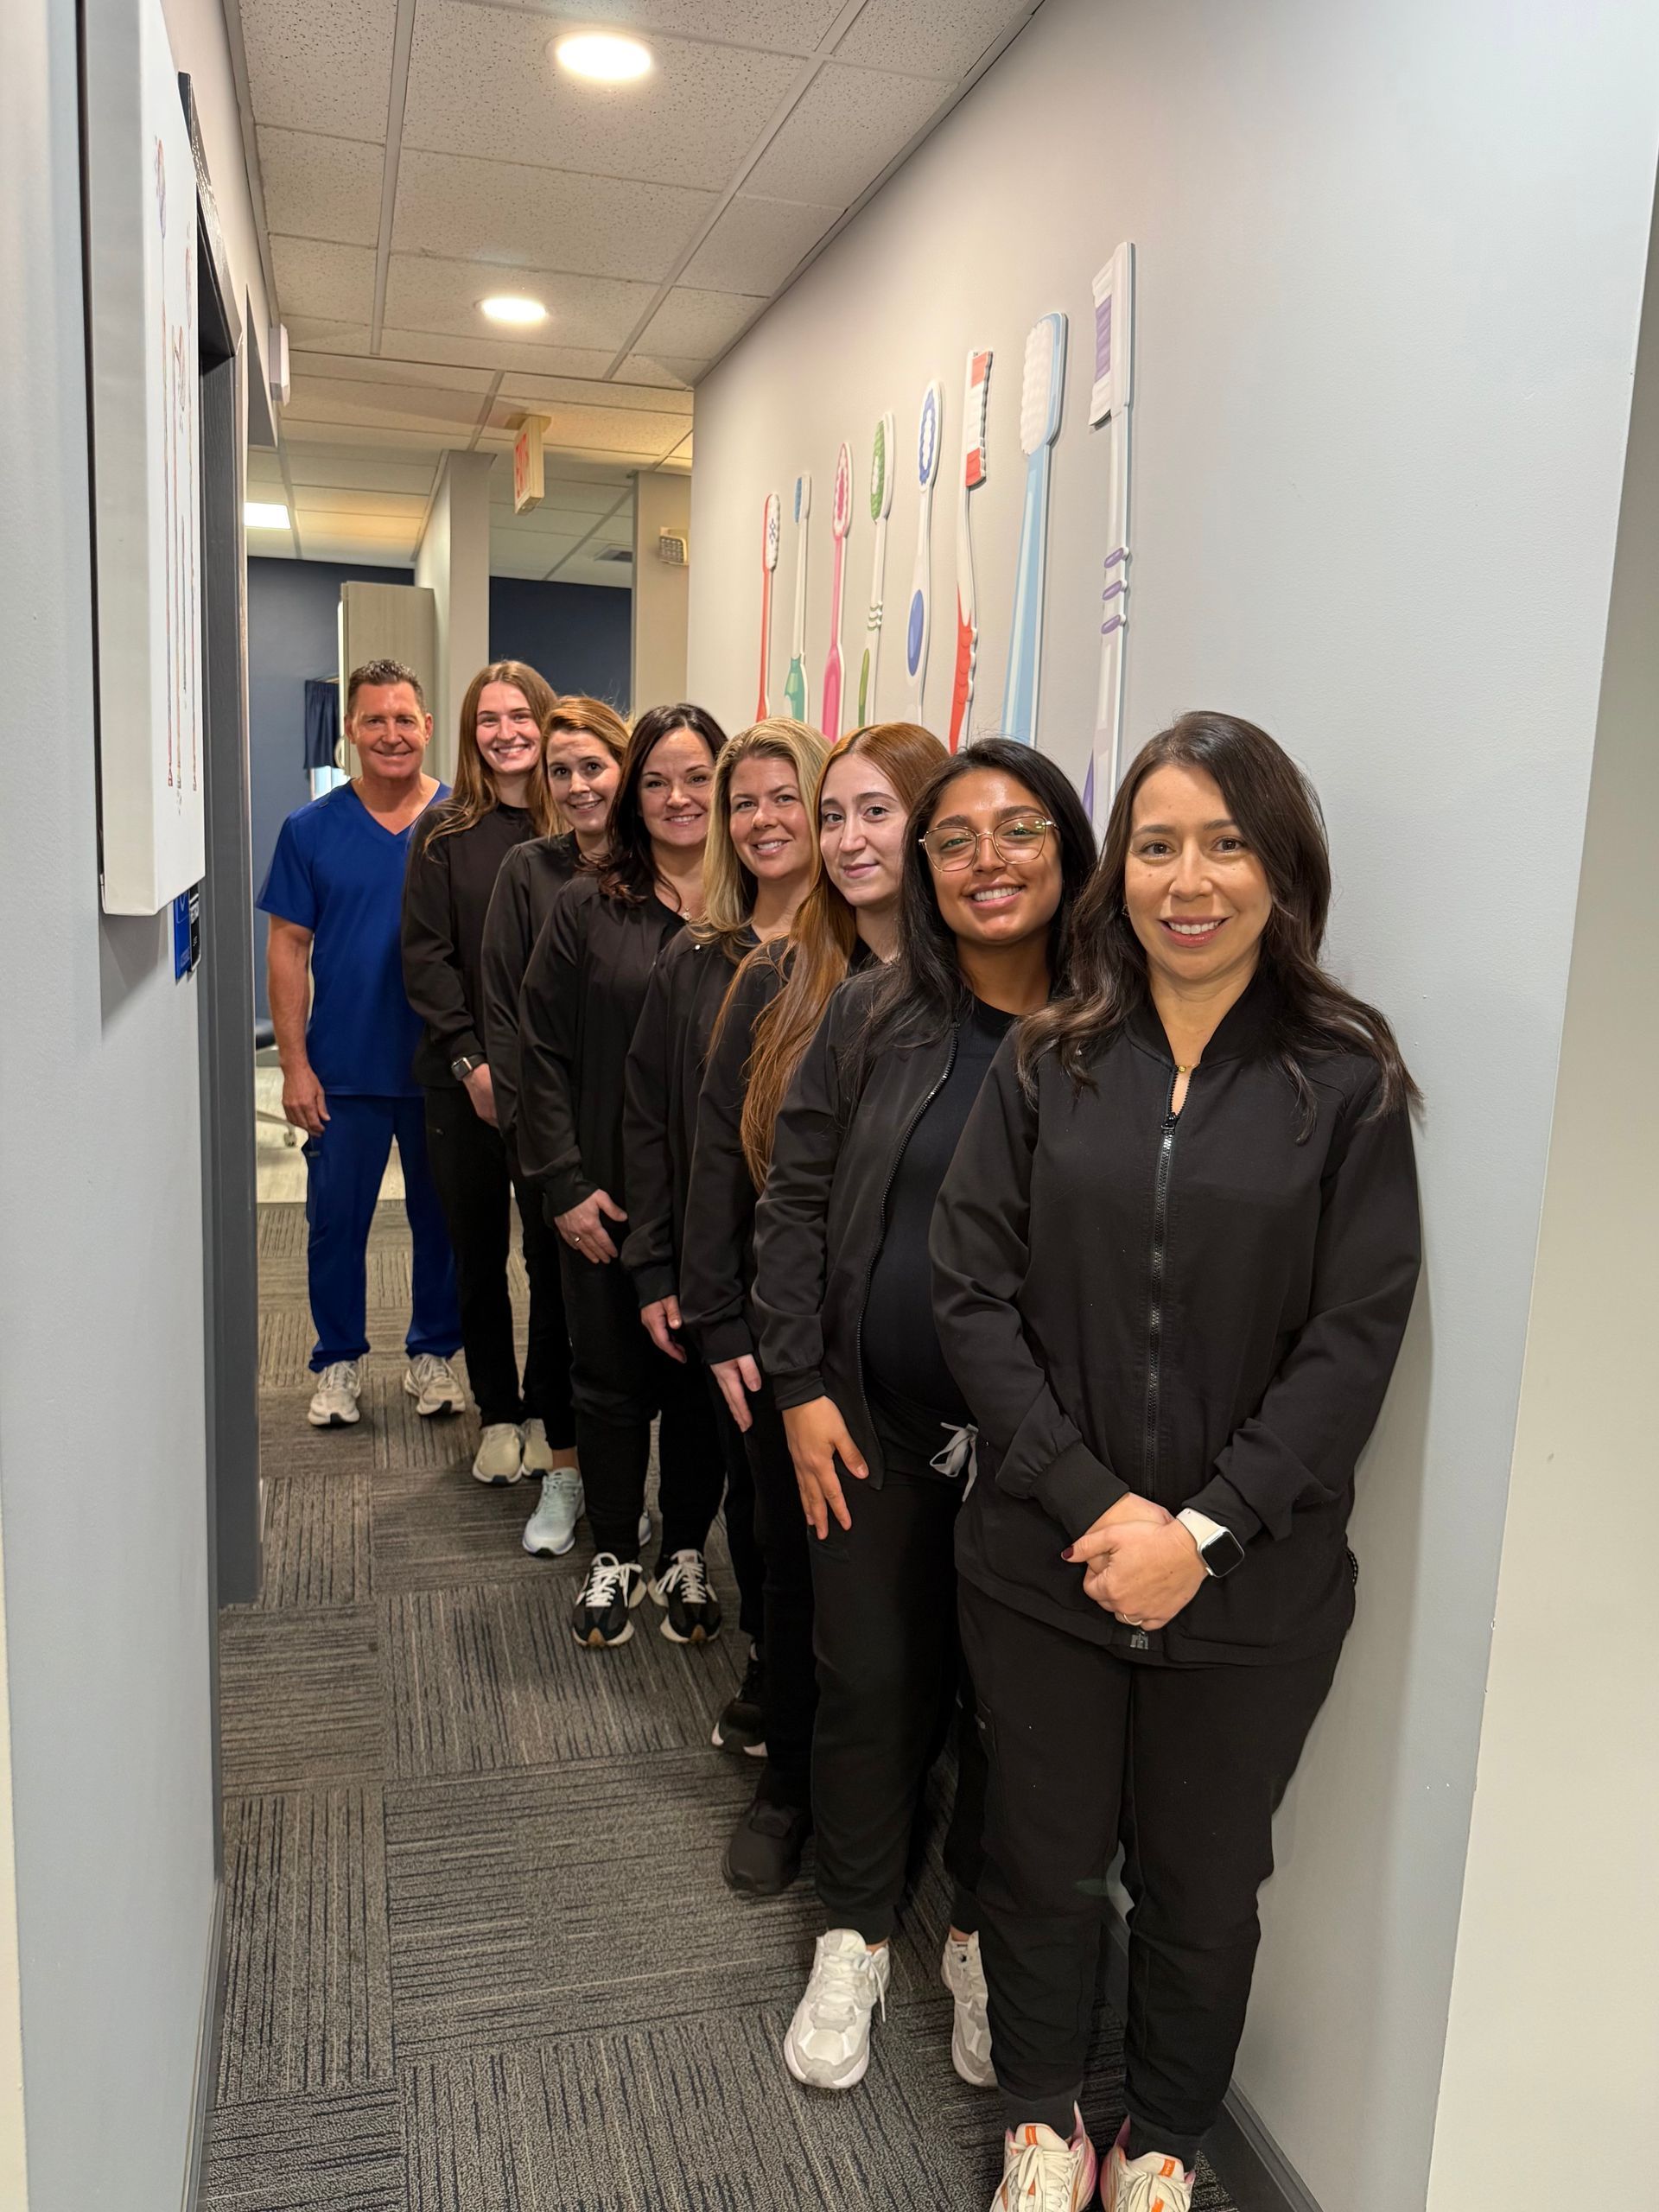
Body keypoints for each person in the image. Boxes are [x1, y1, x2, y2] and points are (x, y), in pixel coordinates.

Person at [931, 714, 1421, 2212]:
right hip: (1047, 1562)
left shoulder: (1344, 1083)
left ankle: (1160, 2140)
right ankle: (1042, 2119)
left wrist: (1199, 1532)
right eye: (1157, 846)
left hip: (1251, 1587)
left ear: (1282, 871)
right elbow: (969, 1294)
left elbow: (1353, 1340)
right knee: (1043, 1859)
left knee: (1206, 1887)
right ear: (1119, 872)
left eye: (1225, 845)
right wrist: (1097, 1507)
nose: (1188, 880)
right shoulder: (1048, 1061)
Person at [753, 741, 1096, 2097]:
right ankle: (853, 1931)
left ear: (1069, 852)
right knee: (871, 1682)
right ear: (924, 869)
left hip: (1043, 1456)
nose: (986, 861)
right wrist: (798, 1386)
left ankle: (972, 1938)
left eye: (1019, 831)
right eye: (954, 839)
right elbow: (794, 1202)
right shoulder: (875, 1015)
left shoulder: (1118, 1033)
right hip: (869, 1425)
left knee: (1016, 1711)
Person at [681, 720, 945, 1897]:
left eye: (874, 812)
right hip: (790, 1347)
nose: (844, 839)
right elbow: (721, 1165)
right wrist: (726, 1326)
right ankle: (787, 1786)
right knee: (792, 1576)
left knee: (907, 1605)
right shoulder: (779, 981)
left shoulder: (987, 991)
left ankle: (897, 1804)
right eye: (832, 815)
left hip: (915, 1364)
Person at [621, 720, 828, 1738]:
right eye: (743, 802)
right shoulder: (697, 959)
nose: (762, 820)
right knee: (754, 1494)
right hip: (726, 1284)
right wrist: (659, 1267)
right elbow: (654, 1124)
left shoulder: (861, 956)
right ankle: (767, 1658)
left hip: (830, 1287)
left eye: (786, 797)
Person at [515, 703, 732, 1649]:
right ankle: (614, 1548)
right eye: (657, 780)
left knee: (696, 1384)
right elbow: (539, 1052)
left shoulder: (759, 911)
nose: (679, 798)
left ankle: (683, 1548)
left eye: (699, 778)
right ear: (633, 794)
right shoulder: (586, 907)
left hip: (716, 1209)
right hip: (604, 1198)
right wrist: (563, 1184)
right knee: (605, 1378)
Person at [258, 658, 462, 1429]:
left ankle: (433, 1352)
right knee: (335, 1226)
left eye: (404, 719)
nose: (390, 733)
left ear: (427, 727)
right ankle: (336, 1359)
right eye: (374, 719)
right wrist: (295, 1066)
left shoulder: (460, 821)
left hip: (443, 1067)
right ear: (349, 730)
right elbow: (289, 948)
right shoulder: (310, 830)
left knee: (443, 1223)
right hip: (343, 1070)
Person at [400, 659, 567, 1486]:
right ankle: (498, 1412)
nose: (506, 733)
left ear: (546, 723)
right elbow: (425, 958)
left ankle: (545, 1411)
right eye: (488, 720)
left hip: (553, 1090)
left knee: (552, 1260)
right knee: (477, 1254)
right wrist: (470, 1063)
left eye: (520, 716)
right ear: (471, 735)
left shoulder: (576, 832)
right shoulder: (443, 833)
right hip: (460, 1080)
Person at [480, 696, 630, 1557]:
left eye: (593, 767)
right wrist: (543, 1154)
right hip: (553, 1143)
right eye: (561, 771)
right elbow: (509, 1021)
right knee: (561, 1313)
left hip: (645, 1138)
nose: (577, 786)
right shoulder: (529, 871)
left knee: (643, 1318)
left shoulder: (666, 867)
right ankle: (566, 1472)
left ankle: (631, 1489)